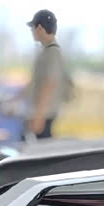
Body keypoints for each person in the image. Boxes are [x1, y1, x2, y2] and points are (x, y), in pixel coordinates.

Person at [25, 9, 71, 139]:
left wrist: (39, 115)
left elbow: (49, 83)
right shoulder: (47, 51)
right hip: (43, 112)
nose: (32, 32)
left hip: (45, 113)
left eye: (32, 28)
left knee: (42, 146)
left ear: (39, 28)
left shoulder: (52, 52)